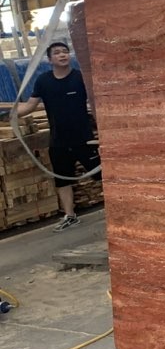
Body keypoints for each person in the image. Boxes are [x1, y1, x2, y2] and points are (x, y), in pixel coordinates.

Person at [11, 42, 101, 231]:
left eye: (65, 52)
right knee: (62, 180)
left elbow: (96, 102)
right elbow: (30, 106)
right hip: (59, 141)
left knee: (102, 176)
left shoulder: (80, 77)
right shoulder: (43, 81)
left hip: (84, 139)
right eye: (57, 53)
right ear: (50, 59)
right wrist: (10, 115)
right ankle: (70, 216)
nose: (62, 55)